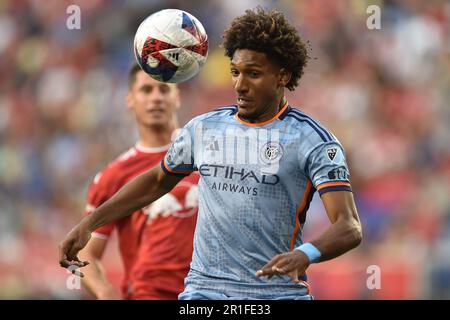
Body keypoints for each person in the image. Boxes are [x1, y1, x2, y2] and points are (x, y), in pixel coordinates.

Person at [60, 7, 362, 300]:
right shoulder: (204, 129)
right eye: (235, 72)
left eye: (253, 74)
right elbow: (155, 182)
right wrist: (90, 223)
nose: (240, 85)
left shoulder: (313, 140)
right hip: (203, 293)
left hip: (276, 293)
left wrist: (304, 254)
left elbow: (348, 226)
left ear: (282, 76)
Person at [77, 64, 199, 300]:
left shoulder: (206, 154)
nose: (156, 98)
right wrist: (105, 292)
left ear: (177, 97)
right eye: (146, 90)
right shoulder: (115, 175)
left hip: (210, 294)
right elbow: (86, 253)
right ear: (130, 99)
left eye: (163, 90)